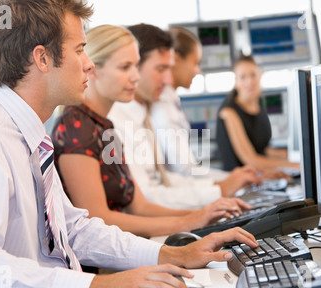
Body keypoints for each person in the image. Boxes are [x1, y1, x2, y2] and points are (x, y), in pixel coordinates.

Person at [0, 0, 259, 288]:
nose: (89, 64)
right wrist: (97, 287)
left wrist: (170, 255)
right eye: (80, 50)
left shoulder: (28, 135)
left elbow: (73, 230)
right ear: (42, 58)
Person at [51, 25, 251, 238]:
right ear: (93, 69)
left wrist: (202, 215)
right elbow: (97, 219)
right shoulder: (77, 126)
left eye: (136, 66)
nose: (136, 77)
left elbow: (139, 205)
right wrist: (189, 221)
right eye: (125, 67)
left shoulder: (105, 127)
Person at [108, 23, 260, 210]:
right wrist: (219, 190)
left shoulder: (141, 115)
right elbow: (147, 197)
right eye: (161, 69)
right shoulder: (117, 122)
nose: (168, 80)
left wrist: (220, 187)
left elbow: (164, 180)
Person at [216, 55, 300, 172]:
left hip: (260, 178)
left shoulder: (257, 106)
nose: (249, 81)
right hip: (242, 185)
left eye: (253, 75)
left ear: (260, 75)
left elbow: (261, 149)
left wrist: (288, 155)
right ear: (236, 82)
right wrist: (297, 166)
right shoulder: (228, 112)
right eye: (243, 77)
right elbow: (251, 160)